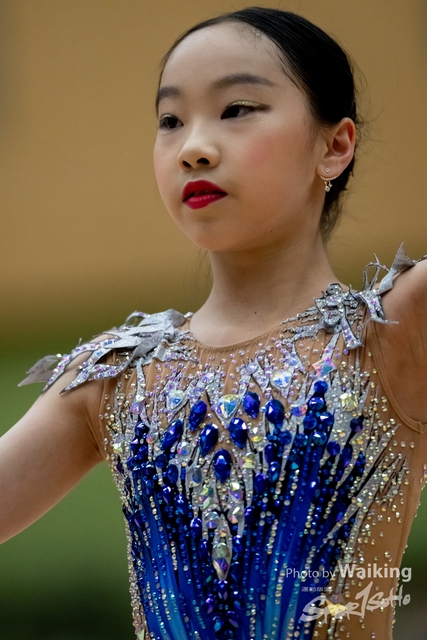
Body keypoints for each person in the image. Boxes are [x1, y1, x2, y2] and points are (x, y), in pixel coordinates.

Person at [1, 6, 426, 640]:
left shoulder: (393, 332)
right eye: (170, 121)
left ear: (334, 145)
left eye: (236, 109)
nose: (193, 148)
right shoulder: (114, 377)